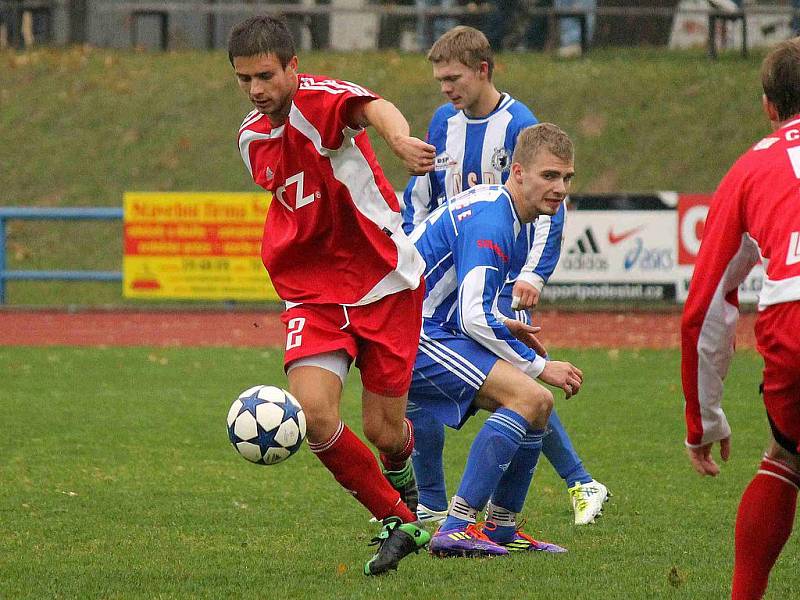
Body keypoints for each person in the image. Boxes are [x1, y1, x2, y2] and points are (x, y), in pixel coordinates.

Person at [229, 15, 437, 576]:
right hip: (313, 296)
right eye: (245, 79)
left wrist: (396, 140)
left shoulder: (319, 101)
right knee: (316, 417)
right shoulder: (251, 138)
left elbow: (374, 108)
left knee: (383, 432)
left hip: (383, 284)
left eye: (266, 75)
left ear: (293, 67)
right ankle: (401, 520)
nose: (256, 90)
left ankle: (405, 477)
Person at [403, 25, 608, 527]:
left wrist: (534, 276)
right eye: (439, 81)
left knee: (520, 383)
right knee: (509, 386)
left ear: (483, 70)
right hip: (448, 284)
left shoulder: (521, 124)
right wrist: (411, 253)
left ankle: (572, 483)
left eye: (453, 78)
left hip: (498, 281)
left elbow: (549, 210)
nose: (445, 89)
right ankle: (437, 507)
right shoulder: (440, 123)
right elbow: (423, 197)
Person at [408, 123, 584, 556]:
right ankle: (456, 526)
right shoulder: (494, 219)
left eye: (567, 178)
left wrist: (506, 323)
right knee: (530, 395)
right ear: (519, 171)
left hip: (435, 328)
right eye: (549, 176)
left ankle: (501, 527)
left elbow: (473, 308)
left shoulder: (513, 215)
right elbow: (472, 318)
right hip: (414, 335)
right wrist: (542, 366)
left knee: (538, 404)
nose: (560, 188)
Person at [681, 38, 800, 599]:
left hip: (791, 318)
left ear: (769, 107)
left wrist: (703, 419)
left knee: (786, 457)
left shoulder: (751, 168)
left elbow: (703, 307)